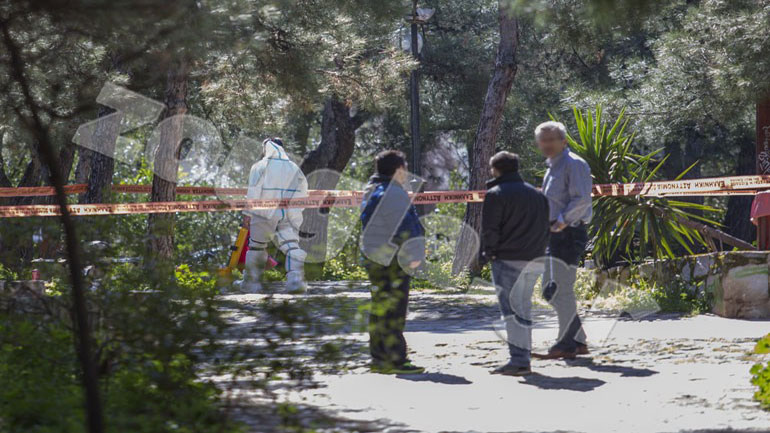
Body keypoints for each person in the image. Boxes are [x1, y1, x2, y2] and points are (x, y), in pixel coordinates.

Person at [480, 151, 550, 376]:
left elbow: (491, 229)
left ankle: (519, 360)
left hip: (508, 259)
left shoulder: (495, 194)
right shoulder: (537, 195)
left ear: (495, 169)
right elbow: (544, 227)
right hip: (535, 259)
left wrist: (487, 253)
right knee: (524, 308)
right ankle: (523, 357)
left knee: (512, 312)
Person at [360, 150, 425, 374]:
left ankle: (379, 358)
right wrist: (414, 256)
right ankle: (396, 360)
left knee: (380, 308)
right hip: (394, 260)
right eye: (404, 168)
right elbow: (405, 228)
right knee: (395, 311)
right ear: (398, 170)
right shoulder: (393, 193)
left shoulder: (371, 191)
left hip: (375, 258)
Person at [533, 121, 592, 360]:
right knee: (552, 289)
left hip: (569, 233)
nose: (546, 144)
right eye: (543, 140)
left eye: (551, 139)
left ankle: (566, 344)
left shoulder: (573, 164)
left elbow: (581, 199)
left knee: (558, 289)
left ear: (563, 141)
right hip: (555, 234)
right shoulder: (552, 167)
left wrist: (561, 223)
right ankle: (577, 341)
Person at [236, 138, 309, 293]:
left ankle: (251, 283)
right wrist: (296, 211)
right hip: (289, 213)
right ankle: (295, 281)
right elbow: (303, 191)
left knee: (256, 245)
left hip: (264, 212)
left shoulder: (260, 166)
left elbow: (253, 192)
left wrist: (247, 214)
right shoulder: (294, 167)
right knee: (291, 245)